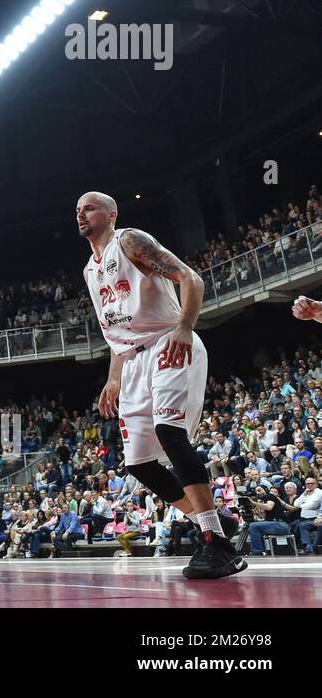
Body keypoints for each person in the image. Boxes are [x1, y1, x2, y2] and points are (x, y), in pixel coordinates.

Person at [78, 191, 245, 580]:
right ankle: (215, 521)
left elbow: (191, 278)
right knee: (138, 464)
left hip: (169, 341)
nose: (81, 214)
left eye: (89, 207)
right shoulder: (90, 270)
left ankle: (216, 543)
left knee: (169, 431)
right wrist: (113, 378)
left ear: (111, 213)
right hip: (133, 360)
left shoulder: (130, 240)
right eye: (77, 210)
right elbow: (118, 332)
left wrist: (185, 328)